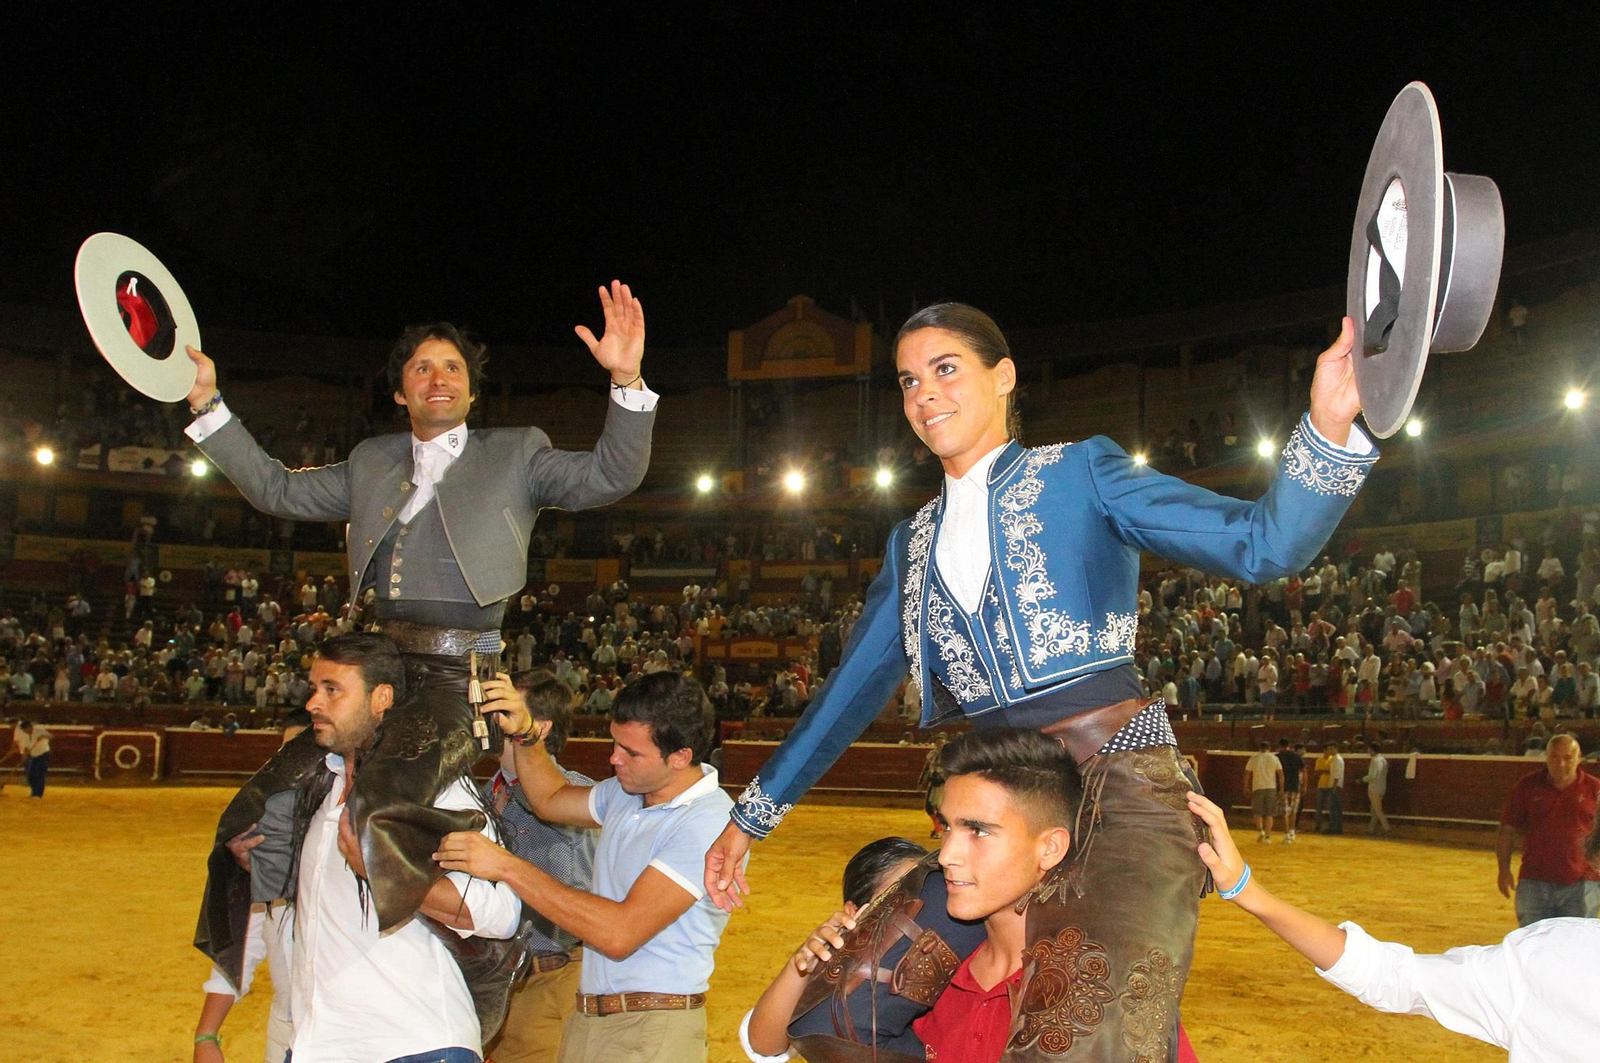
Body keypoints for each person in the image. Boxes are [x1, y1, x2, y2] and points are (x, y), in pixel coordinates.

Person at [706, 301, 1373, 1063]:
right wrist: (749, 819)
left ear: (1004, 377)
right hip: (998, 816)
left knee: (1078, 1038)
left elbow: (1263, 544)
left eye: (946, 368)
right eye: (909, 380)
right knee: (837, 1014)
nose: (925, 393)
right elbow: (845, 697)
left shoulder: (1080, 472)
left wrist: (1329, 427)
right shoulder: (909, 544)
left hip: (1124, 795)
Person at [189, 285, 651, 1030]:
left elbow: (610, 475)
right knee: (258, 807)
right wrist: (208, 404)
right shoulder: (372, 459)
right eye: (422, 368)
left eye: (453, 367)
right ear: (401, 391)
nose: (439, 378)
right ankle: (308, 938)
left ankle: (483, 957)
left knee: (379, 802)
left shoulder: (517, 452)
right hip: (382, 669)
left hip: (464, 675)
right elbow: (275, 488)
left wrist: (626, 381)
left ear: (471, 389)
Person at [435, 672, 733, 1063]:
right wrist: (526, 733)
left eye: (631, 752)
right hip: (592, 1017)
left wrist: (507, 867)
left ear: (680, 757)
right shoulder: (629, 793)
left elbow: (619, 932)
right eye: (615, 743)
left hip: (652, 1028)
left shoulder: (709, 821)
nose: (614, 758)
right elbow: (550, 798)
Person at [1189, 788, 1600, 1063]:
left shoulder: (1556, 957)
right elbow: (1393, 977)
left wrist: (1252, 893)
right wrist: (1250, 892)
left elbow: (1392, 978)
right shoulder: (1555, 958)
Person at [282, 633, 521, 1062]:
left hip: (414, 1043)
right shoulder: (320, 787)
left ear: (382, 698)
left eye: (332, 690)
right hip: (318, 1044)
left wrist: (384, 871)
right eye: (314, 689)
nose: (314, 703)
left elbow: (500, 914)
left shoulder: (438, 788)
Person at [481, 671, 598, 1063]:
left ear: (539, 728)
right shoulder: (486, 793)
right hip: (496, 984)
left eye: (505, 709)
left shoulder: (572, 793)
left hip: (548, 982)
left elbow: (539, 800)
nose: (490, 717)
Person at [193, 710, 309, 1063]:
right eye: (282, 752)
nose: (285, 764)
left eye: (300, 750)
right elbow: (245, 942)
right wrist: (206, 1034)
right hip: (287, 1027)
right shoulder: (264, 838)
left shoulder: (356, 830)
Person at [1496, 734, 1600, 925]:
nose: (1561, 764)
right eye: (1555, 756)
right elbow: (1507, 830)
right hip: (1534, 880)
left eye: (1568, 757)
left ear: (1579, 758)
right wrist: (1504, 869)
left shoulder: (1595, 789)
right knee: (1532, 940)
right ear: (1546, 757)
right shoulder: (1527, 786)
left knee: (1574, 940)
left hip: (1582, 883)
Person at [1244, 740, 1283, 843]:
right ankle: (1268, 836)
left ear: (1260, 748)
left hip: (1257, 787)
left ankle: (1261, 830)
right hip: (1271, 787)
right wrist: (1281, 789)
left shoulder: (1254, 758)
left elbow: (1247, 773)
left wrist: (1246, 787)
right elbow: (1280, 774)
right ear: (1269, 748)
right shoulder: (1274, 758)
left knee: (1258, 812)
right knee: (1269, 814)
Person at [1276, 738, 1305, 843]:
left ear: (1280, 746)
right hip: (1295, 786)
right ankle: (1292, 831)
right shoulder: (1297, 756)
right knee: (1293, 811)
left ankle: (1287, 833)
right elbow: (1304, 770)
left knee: (1284, 812)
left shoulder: (1277, 757)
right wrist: (1304, 785)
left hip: (1282, 787)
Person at [12, 720, 50, 798]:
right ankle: (34, 791)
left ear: (29, 727)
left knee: (39, 774)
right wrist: (24, 756)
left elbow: (51, 736)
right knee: (30, 774)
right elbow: (26, 748)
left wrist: (43, 736)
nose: (24, 732)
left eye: (25, 730)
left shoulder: (39, 730)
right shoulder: (26, 735)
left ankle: (38, 794)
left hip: (43, 754)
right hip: (34, 755)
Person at [1314, 742, 1345, 834]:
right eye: (1329, 748)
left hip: (1334, 786)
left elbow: (1336, 775)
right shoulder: (1336, 759)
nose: (1329, 750)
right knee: (1335, 808)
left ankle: (1334, 828)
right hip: (1334, 785)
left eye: (1331, 748)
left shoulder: (1336, 760)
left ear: (1336, 749)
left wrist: (1334, 787)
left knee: (1333, 808)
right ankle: (1337, 828)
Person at [1362, 742, 1390, 835]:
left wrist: (1362, 779)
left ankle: (1387, 828)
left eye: (1369, 749)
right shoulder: (1383, 760)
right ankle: (1371, 830)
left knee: (1377, 810)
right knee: (1374, 810)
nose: (1368, 751)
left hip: (1374, 788)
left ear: (1372, 750)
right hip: (1382, 787)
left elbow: (1372, 776)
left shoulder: (1374, 760)